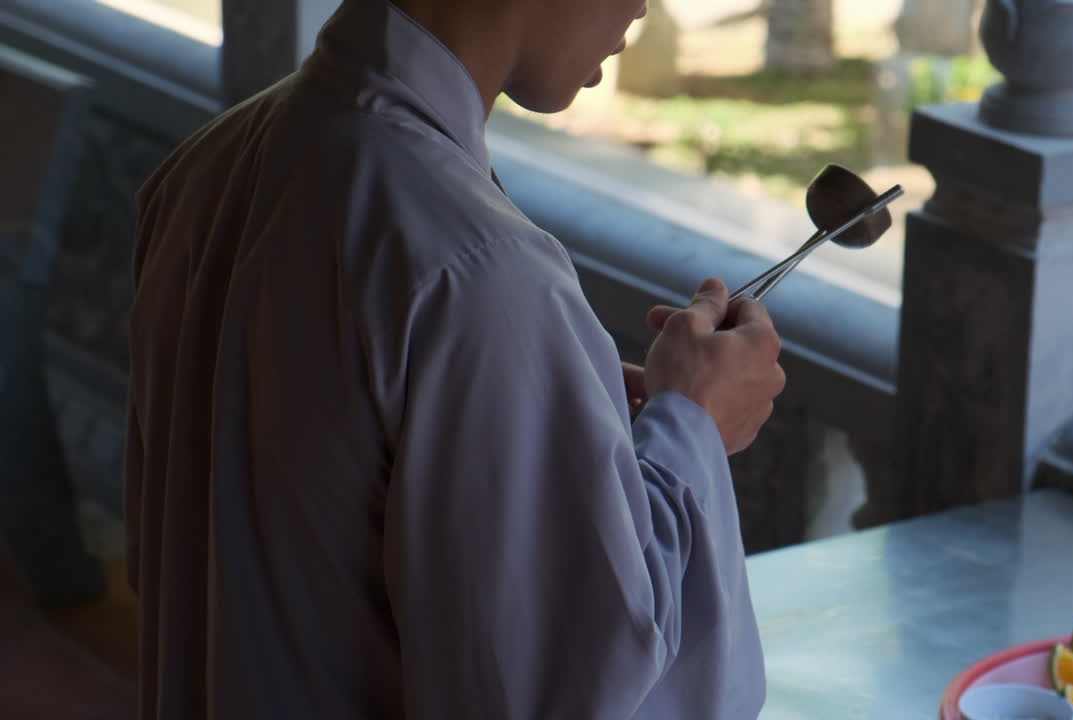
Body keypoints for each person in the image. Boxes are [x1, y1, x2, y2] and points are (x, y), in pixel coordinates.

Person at [125, 0, 786, 717]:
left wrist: (575, 427)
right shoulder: (477, 271)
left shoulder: (206, 164)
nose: (645, 6)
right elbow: (568, 692)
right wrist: (693, 425)